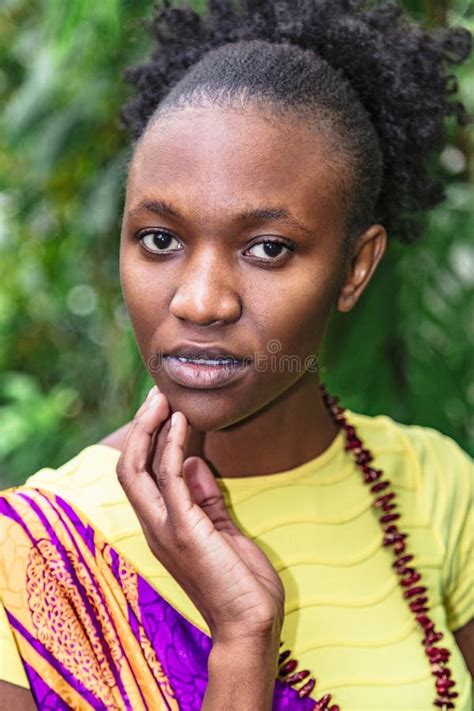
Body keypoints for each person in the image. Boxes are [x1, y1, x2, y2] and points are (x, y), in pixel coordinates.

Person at [0, 1, 473, 709]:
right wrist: (242, 642)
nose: (199, 301)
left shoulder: (434, 489)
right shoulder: (34, 558)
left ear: (355, 268)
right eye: (160, 238)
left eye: (267, 248)